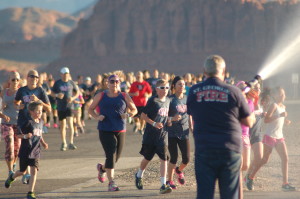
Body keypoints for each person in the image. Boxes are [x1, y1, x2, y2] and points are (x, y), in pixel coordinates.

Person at [187, 55, 255, 199]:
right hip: (229, 149)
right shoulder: (234, 92)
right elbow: (248, 122)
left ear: (204, 71)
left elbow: (194, 112)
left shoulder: (194, 91)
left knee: (204, 194)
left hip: (205, 149)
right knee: (230, 195)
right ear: (224, 71)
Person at [88, 74, 137, 191]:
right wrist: (97, 116)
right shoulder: (101, 95)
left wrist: (128, 114)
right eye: (112, 81)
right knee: (110, 155)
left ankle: (102, 169)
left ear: (119, 83)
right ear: (107, 83)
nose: (114, 84)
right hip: (105, 129)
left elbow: (135, 109)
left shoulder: (124, 95)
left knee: (115, 158)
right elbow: (90, 109)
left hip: (120, 129)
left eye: (117, 81)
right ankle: (111, 182)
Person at [245, 87, 296, 191]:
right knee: (264, 160)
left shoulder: (283, 106)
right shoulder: (273, 105)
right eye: (281, 94)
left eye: (284, 94)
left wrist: (285, 121)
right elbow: (267, 120)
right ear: (276, 95)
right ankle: (250, 177)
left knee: (285, 158)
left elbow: (279, 120)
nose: (283, 96)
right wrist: (279, 115)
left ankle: (285, 184)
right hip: (270, 136)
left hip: (279, 136)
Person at [135, 79, 173, 194]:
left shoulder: (168, 100)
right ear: (157, 89)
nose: (165, 90)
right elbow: (143, 115)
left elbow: (166, 115)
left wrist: (169, 121)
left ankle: (163, 184)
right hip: (150, 135)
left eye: (167, 87)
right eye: (162, 88)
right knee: (147, 158)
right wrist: (154, 123)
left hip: (163, 135)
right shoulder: (153, 100)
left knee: (164, 159)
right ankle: (139, 175)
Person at [4, 100, 49, 199]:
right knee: (22, 172)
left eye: (41, 111)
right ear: (31, 112)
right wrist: (25, 136)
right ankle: (11, 177)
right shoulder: (28, 123)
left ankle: (30, 192)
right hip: (25, 150)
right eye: (37, 111)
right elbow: (18, 135)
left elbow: (39, 134)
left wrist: (43, 143)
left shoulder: (41, 122)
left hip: (36, 151)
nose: (39, 113)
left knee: (34, 171)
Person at [166, 76, 192, 190]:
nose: (181, 86)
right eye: (179, 84)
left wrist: (192, 127)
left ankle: (179, 170)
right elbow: (163, 116)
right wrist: (172, 118)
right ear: (174, 86)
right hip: (172, 133)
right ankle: (169, 180)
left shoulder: (187, 98)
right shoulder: (170, 99)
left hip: (184, 132)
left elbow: (190, 114)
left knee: (186, 159)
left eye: (183, 84)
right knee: (174, 158)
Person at [51, 67, 79, 151]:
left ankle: (71, 142)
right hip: (60, 106)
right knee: (62, 124)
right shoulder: (57, 83)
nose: (65, 75)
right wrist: (57, 95)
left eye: (67, 74)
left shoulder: (71, 83)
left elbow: (77, 92)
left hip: (69, 106)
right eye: (64, 74)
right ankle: (64, 143)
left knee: (70, 123)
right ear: (61, 74)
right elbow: (52, 93)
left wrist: (73, 98)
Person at [0, 71, 21, 176]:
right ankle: (10, 171)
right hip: (6, 123)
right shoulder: (4, 92)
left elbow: (26, 108)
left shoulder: (21, 92)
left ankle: (13, 164)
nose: (15, 81)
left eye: (17, 79)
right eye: (13, 79)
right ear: (9, 81)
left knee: (17, 149)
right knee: (10, 145)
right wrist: (2, 110)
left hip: (18, 123)